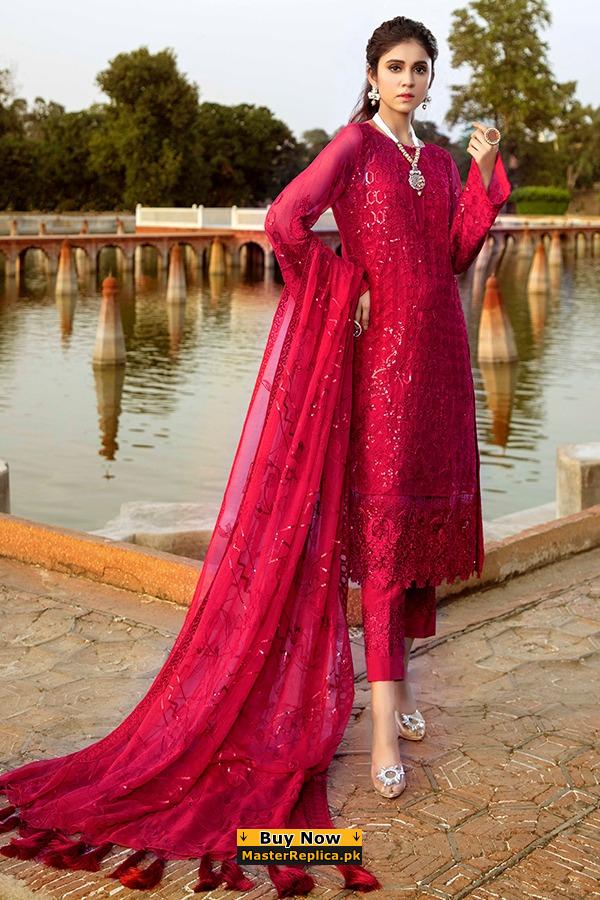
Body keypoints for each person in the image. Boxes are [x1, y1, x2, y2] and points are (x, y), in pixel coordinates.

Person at [0, 14, 510, 898]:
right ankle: (381, 733)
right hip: (380, 371)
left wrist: (481, 172)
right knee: (383, 542)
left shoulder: (432, 160)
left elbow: (455, 253)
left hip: (439, 367)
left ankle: (400, 696)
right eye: (395, 67)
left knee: (419, 540)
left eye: (421, 68)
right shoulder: (354, 147)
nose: (409, 80)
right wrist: (343, 286)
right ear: (372, 74)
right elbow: (285, 221)